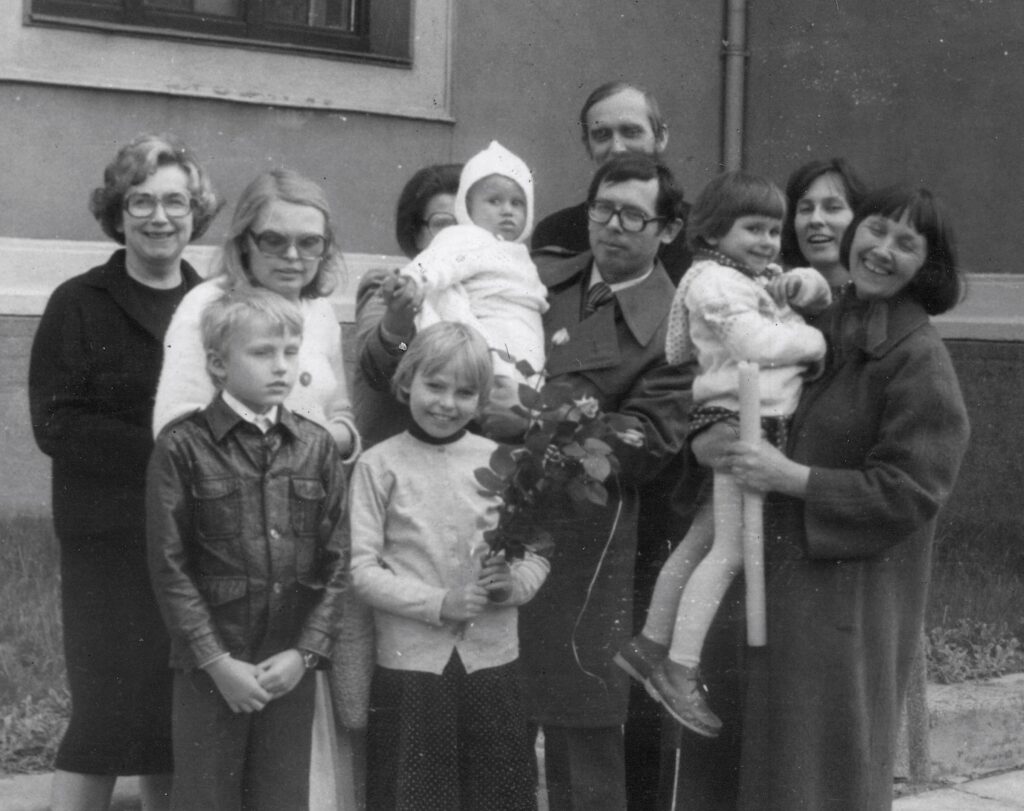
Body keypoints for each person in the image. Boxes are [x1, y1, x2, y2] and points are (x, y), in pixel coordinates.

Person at [714, 186, 970, 809]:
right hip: (779, 580)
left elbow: (909, 492)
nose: (882, 250)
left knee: (815, 772)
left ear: (928, 266)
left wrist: (790, 477)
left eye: (906, 243)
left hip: (848, 603)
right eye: (876, 229)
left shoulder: (920, 359)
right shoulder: (824, 322)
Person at [151, 168, 362, 809]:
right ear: (245, 241)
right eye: (275, 240)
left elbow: (339, 413)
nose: (294, 256)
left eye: (310, 242)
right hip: (225, 585)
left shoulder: (318, 314)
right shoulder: (207, 307)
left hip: (290, 604)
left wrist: (323, 440)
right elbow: (178, 429)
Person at [28, 133, 221, 811]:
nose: (159, 216)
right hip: (108, 540)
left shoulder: (214, 305)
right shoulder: (78, 302)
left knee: (175, 715)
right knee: (105, 715)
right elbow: (56, 423)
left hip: (196, 536)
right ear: (117, 210)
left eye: (175, 201)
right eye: (141, 201)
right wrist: (170, 451)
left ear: (196, 211)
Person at [615, 171, 831, 739]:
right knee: (731, 551)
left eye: (774, 231)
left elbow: (815, 294)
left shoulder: (749, 275)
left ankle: (649, 644)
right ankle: (678, 667)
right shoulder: (715, 284)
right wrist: (815, 342)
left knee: (701, 538)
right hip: (740, 421)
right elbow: (753, 342)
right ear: (713, 232)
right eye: (752, 229)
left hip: (747, 418)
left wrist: (804, 284)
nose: (767, 242)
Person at [517, 152, 694, 811]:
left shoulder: (677, 325)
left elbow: (644, 438)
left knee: (582, 732)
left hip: (589, 544)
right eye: (602, 209)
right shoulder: (535, 280)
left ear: (668, 230)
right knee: (491, 719)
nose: (613, 226)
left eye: (633, 216)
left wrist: (533, 426)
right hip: (493, 523)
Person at [349, 321, 549, 810]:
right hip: (411, 666)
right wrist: (441, 603)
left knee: (497, 796)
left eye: (464, 392)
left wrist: (512, 586)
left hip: (493, 661)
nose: (446, 403)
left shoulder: (504, 462)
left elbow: (537, 552)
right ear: (407, 381)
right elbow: (361, 572)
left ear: (481, 400)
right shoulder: (378, 465)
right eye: (434, 385)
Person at [399, 140, 548, 384]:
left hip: (524, 331)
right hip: (487, 327)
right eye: (494, 201)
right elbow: (438, 262)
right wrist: (414, 280)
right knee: (497, 379)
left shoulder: (520, 254)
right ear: (467, 207)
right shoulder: (465, 237)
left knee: (528, 384)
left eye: (517, 202)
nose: (507, 210)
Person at [531, 81, 692, 284]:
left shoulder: (701, 233)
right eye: (602, 135)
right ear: (588, 146)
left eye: (631, 132)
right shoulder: (555, 232)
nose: (617, 148)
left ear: (660, 138)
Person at [353, 163, 461, 448]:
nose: (457, 236)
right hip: (393, 460)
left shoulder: (491, 296)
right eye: (443, 224)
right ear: (416, 234)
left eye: (468, 225)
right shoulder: (391, 285)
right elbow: (381, 367)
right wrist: (398, 330)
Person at [779, 157, 868, 290]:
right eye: (806, 209)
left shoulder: (882, 299)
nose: (815, 219)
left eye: (833, 208)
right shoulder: (769, 297)